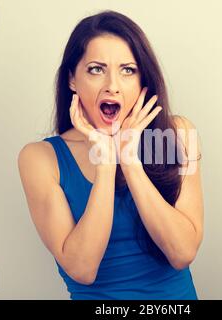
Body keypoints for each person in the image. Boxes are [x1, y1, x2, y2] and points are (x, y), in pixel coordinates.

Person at [18, 9, 204, 300]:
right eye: (96, 69)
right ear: (72, 80)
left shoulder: (176, 134)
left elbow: (182, 252)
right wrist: (106, 163)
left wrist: (129, 160)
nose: (112, 86)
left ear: (143, 81)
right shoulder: (41, 158)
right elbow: (82, 268)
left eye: (127, 70)